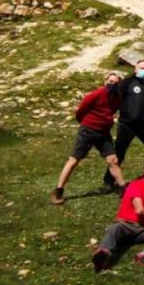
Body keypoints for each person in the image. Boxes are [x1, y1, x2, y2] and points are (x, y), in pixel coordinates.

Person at [52, 72, 126, 204]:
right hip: (89, 130)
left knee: (112, 160)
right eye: (110, 82)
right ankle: (58, 191)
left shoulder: (117, 97)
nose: (112, 85)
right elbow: (81, 110)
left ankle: (123, 189)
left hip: (103, 132)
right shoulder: (96, 94)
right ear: (105, 81)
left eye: (115, 83)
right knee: (74, 160)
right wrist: (86, 123)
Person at [92, 159, 144, 271]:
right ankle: (103, 253)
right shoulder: (135, 185)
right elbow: (139, 210)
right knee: (115, 228)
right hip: (127, 225)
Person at [102, 60, 144, 189]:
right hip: (127, 125)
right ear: (135, 69)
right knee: (119, 153)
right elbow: (116, 98)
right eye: (142, 68)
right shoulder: (127, 82)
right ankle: (108, 181)